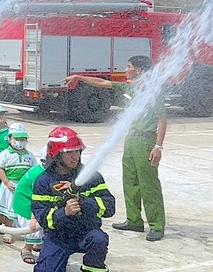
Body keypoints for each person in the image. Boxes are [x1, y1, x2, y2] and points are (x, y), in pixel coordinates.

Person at [64, 55, 167, 241]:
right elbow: (101, 83)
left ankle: (157, 225)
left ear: (139, 70)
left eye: (129, 66)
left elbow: (162, 119)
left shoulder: (153, 91)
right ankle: (134, 220)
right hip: (132, 138)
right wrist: (79, 78)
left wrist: (158, 146)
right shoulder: (130, 87)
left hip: (146, 140)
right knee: (130, 181)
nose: (126, 69)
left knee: (148, 184)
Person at [31, 126, 115, 272]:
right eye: (69, 152)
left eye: (77, 151)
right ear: (56, 154)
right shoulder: (43, 181)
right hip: (58, 236)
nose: (75, 156)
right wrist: (64, 213)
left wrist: (85, 203)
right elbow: (42, 217)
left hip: (86, 232)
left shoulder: (91, 176)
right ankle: (55, 258)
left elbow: (109, 207)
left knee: (99, 238)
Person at [0, 123, 37, 239]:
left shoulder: (29, 155)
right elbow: (0, 169)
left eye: (23, 139)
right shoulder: (5, 154)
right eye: (17, 139)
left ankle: (21, 229)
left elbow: (34, 170)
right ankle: (9, 231)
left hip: (23, 187)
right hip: (10, 186)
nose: (20, 142)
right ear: (9, 139)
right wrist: (7, 182)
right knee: (9, 210)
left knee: (21, 209)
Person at [12, 155, 46, 264]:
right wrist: (34, 216)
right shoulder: (39, 174)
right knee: (33, 227)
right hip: (26, 201)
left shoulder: (47, 171)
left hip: (35, 200)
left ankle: (39, 243)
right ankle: (27, 248)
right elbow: (37, 198)